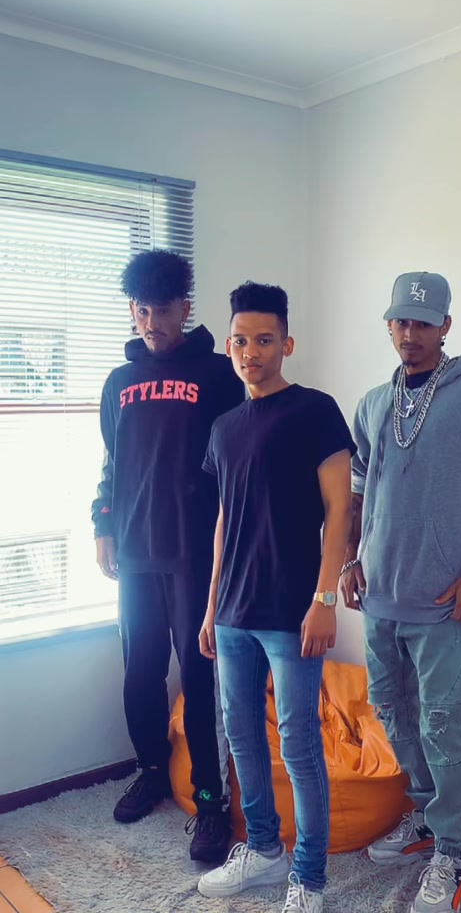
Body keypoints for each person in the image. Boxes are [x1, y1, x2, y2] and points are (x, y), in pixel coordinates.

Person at [339, 272, 461, 913]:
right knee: (392, 712)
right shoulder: (374, 402)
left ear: (445, 325)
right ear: (388, 324)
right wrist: (349, 560)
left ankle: (454, 849)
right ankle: (426, 816)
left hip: (445, 599)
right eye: (400, 321)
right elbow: (358, 486)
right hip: (380, 594)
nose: (410, 333)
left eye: (423, 322)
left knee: (442, 723)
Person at [196, 282, 356, 912]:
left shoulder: (315, 410)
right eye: (240, 341)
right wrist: (211, 606)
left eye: (264, 340)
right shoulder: (223, 427)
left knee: (299, 745)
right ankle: (264, 850)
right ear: (228, 345)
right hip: (233, 613)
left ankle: (309, 878)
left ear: (286, 344)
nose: (251, 352)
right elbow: (223, 522)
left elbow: (340, 510)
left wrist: (325, 599)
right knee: (240, 735)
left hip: (293, 609)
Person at [91, 249, 244, 862]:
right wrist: (102, 523)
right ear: (134, 312)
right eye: (142, 311)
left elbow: (239, 465)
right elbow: (112, 462)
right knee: (140, 672)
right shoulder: (118, 383)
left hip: (195, 556)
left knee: (201, 677)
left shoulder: (219, 375)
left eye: (162, 310)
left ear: (185, 308)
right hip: (135, 554)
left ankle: (211, 801)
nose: (152, 322)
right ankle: (153, 769)